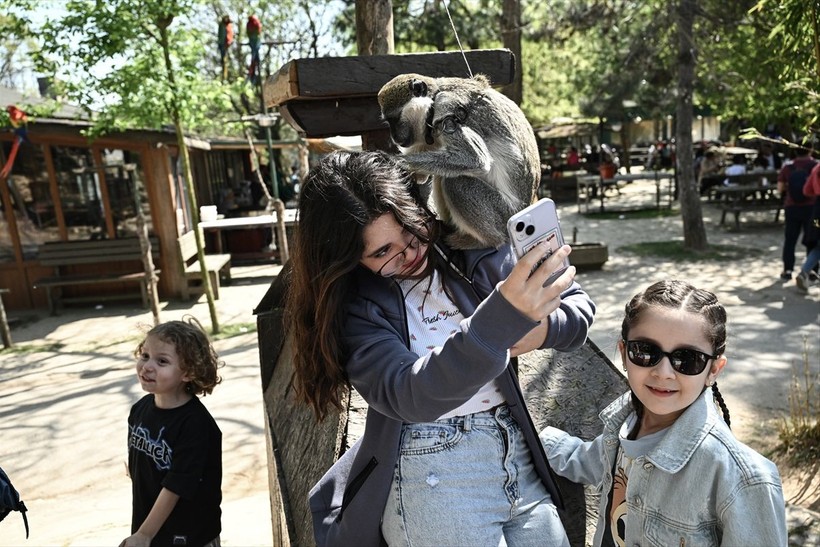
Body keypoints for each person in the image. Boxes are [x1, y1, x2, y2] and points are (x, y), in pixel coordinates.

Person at [285, 150, 596, 546]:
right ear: (348, 258)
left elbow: (579, 307)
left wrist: (541, 330)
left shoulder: (468, 247)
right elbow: (411, 394)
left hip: (516, 451)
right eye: (383, 252)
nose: (409, 253)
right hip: (430, 466)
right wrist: (499, 319)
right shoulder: (357, 311)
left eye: (413, 230)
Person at [539, 280, 787, 546]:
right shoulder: (624, 426)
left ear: (714, 369)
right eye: (646, 352)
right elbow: (594, 462)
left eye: (687, 359)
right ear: (624, 354)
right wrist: (534, 439)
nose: (663, 372)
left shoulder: (743, 480)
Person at [121, 317, 223, 547]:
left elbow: (176, 486)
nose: (147, 366)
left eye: (162, 361)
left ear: (188, 372)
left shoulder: (196, 425)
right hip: (150, 531)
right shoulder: (140, 410)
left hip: (189, 536)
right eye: (145, 356)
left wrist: (144, 534)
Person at [777, 147, 818, 281]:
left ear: (795, 151)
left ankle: (788, 270)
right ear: (810, 150)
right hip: (812, 209)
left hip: (792, 207)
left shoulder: (788, 167)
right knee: (812, 239)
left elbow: (780, 188)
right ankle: (812, 271)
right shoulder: (816, 165)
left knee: (790, 239)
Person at [796, 162, 820, 291]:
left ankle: (804, 272)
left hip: (818, 214)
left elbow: (806, 190)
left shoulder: (817, 168)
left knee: (818, 245)